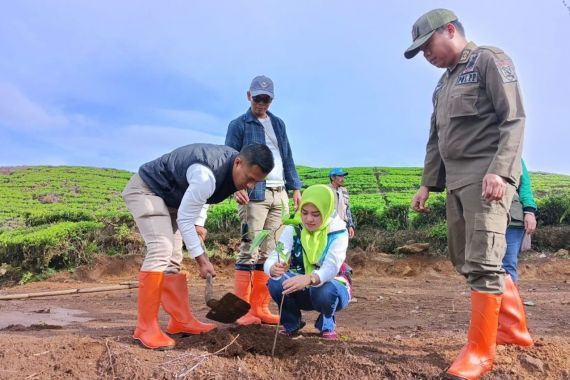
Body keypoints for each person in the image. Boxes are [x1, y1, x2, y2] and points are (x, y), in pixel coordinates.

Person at [405, 9, 531, 379]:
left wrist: (501, 171)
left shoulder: (489, 60)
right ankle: (512, 329)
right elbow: (436, 139)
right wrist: (428, 183)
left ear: (450, 31)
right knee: (464, 258)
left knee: (484, 263)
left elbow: (514, 119)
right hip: (457, 183)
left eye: (427, 46)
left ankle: (480, 351)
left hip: (487, 178)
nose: (426, 55)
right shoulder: (443, 86)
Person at [122, 143, 274, 350]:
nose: (250, 185)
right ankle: (145, 327)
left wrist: (198, 223)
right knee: (161, 249)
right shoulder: (206, 174)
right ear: (238, 163)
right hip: (148, 190)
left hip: (174, 199)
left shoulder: (229, 170)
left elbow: (203, 198)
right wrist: (202, 260)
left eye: (257, 182)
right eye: (249, 178)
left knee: (172, 262)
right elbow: (188, 212)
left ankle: (180, 321)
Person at [225, 75, 303, 326]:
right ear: (249, 96)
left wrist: (295, 187)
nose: (261, 103)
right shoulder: (239, 124)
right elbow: (230, 159)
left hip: (279, 194)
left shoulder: (278, 124)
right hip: (254, 194)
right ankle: (242, 310)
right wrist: (234, 187)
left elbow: (287, 155)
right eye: (257, 98)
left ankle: (260, 307)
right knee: (250, 248)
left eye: (266, 99)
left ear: (272, 100)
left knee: (272, 253)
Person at [264, 184, 351, 340]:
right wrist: (272, 267)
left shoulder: (338, 232)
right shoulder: (294, 229)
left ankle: (327, 322)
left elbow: (331, 267)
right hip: (301, 285)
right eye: (304, 213)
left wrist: (309, 278)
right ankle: (291, 323)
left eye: (316, 214)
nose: (308, 219)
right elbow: (276, 255)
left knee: (325, 290)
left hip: (331, 286)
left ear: (327, 211)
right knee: (276, 282)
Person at [503, 160, 537, 283]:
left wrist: (529, 212)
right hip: (483, 217)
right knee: (485, 265)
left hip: (513, 219)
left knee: (508, 263)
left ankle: (509, 302)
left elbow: (525, 186)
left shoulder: (516, 158)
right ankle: (490, 302)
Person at [329, 167, 356, 239]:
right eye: (340, 176)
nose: (343, 178)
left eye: (343, 176)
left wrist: (350, 225)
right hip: (330, 227)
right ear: (333, 177)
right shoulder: (326, 190)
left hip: (343, 226)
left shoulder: (344, 190)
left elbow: (347, 209)